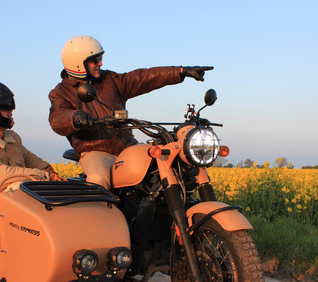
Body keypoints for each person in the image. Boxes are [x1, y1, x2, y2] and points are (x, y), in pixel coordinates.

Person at [49, 35, 213, 189]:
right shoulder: (61, 93)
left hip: (128, 148)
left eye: (100, 58)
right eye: (95, 60)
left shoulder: (111, 80)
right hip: (96, 152)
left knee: (168, 161)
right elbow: (58, 118)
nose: (100, 63)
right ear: (78, 63)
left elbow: (144, 77)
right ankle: (97, 218)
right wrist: (75, 118)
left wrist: (181, 71)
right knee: (99, 178)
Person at [0, 80, 63, 240]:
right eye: (6, 106)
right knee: (19, 187)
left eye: (11, 105)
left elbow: (32, 159)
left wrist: (52, 173)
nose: (11, 110)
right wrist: (43, 177)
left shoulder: (12, 138)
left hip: (18, 212)